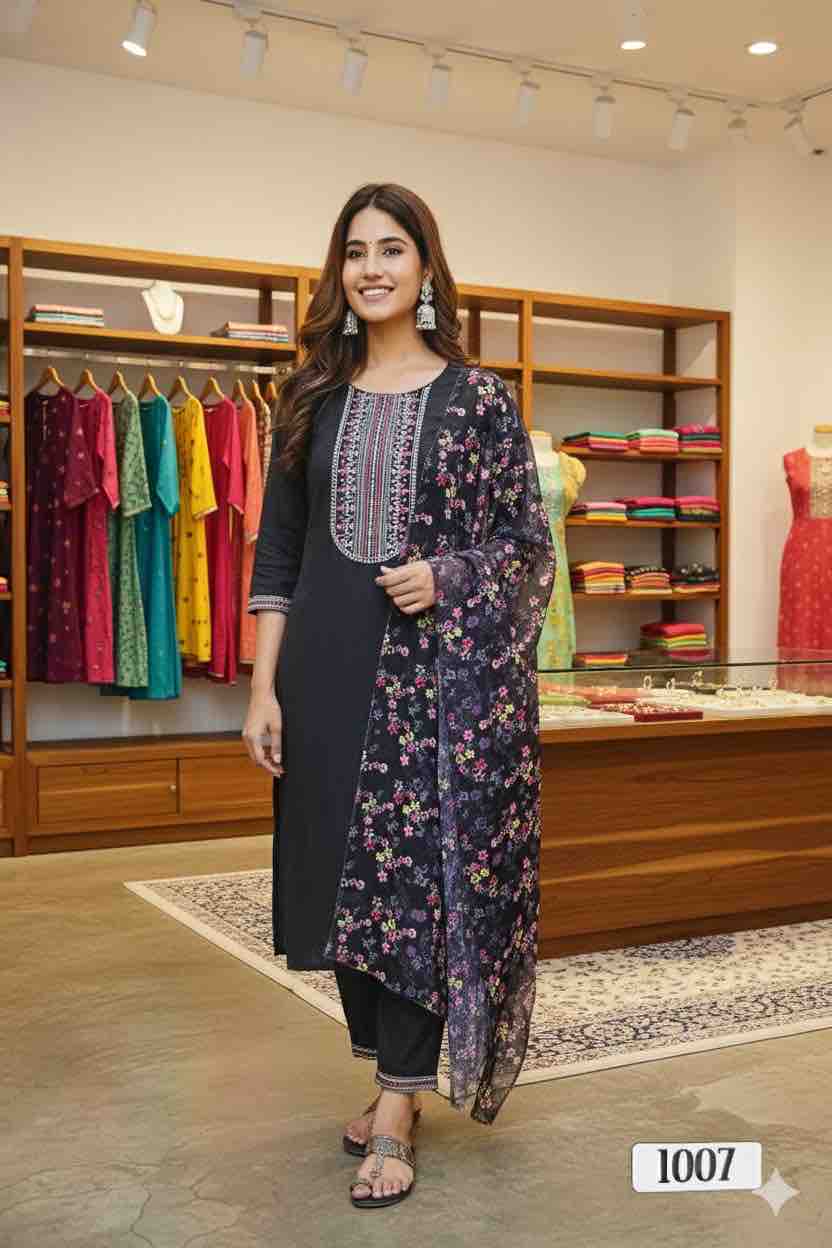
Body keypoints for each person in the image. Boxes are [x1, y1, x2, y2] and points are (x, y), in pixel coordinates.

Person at [242, 182, 555, 1209]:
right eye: (354, 251)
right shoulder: (311, 398)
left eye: (390, 249)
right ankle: (393, 1077)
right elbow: (278, 551)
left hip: (436, 684)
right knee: (338, 882)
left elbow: (524, 543)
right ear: (338, 272)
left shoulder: (478, 400)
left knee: (413, 883)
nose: (370, 268)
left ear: (425, 267)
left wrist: (448, 576)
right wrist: (262, 689)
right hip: (323, 671)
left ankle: (395, 1105)